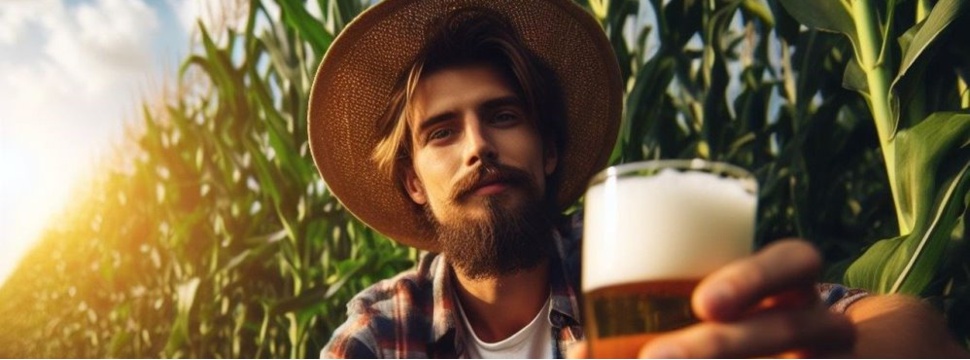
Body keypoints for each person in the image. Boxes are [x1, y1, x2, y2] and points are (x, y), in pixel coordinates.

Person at [306, 0, 968, 358]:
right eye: (441, 132)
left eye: (504, 117)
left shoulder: (630, 266)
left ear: (550, 152)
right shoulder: (384, 333)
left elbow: (916, 335)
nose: (478, 146)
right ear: (414, 182)